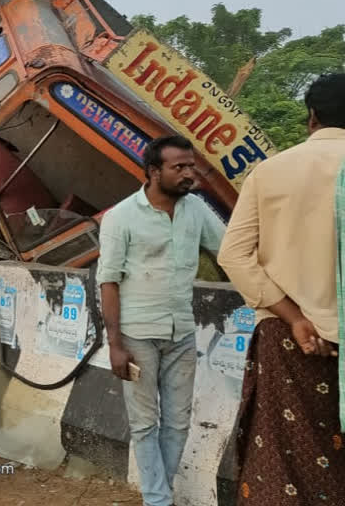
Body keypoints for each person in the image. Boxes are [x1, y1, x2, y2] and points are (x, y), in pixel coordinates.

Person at [217, 73, 345, 504]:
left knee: (285, 458)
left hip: (292, 340)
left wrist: (296, 318)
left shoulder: (270, 172)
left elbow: (233, 256)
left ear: (312, 118)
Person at [97, 135, 225, 506]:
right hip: (137, 337)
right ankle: (159, 501)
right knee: (144, 424)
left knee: (178, 423)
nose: (190, 174)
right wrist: (115, 344)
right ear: (154, 172)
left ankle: (159, 497)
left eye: (192, 166)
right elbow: (109, 281)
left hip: (181, 334)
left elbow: (228, 251)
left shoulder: (196, 209)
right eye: (179, 167)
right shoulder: (121, 217)